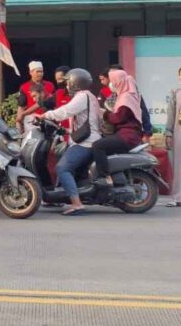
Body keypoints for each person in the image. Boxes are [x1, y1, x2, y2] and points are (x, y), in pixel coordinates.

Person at [36, 68, 102, 216]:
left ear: (74, 83)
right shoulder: (89, 96)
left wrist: (45, 115)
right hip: (88, 139)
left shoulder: (82, 96)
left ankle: (77, 204)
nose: (66, 86)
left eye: (68, 82)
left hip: (85, 143)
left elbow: (65, 111)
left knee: (62, 168)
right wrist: (66, 131)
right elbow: (86, 123)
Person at [93, 68, 143, 187]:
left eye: (113, 81)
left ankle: (104, 177)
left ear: (119, 81)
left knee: (97, 146)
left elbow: (118, 118)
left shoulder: (126, 98)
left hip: (127, 136)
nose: (111, 84)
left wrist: (105, 114)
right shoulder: (127, 95)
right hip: (127, 134)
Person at [16, 61, 55, 131]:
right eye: (38, 71)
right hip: (32, 121)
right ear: (30, 72)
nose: (40, 74)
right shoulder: (24, 87)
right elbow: (21, 106)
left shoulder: (50, 85)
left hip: (48, 119)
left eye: (41, 72)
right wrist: (18, 122)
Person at [166, 66, 181, 207]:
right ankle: (178, 196)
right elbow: (171, 114)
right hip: (179, 133)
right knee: (179, 165)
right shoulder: (176, 93)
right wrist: (168, 132)